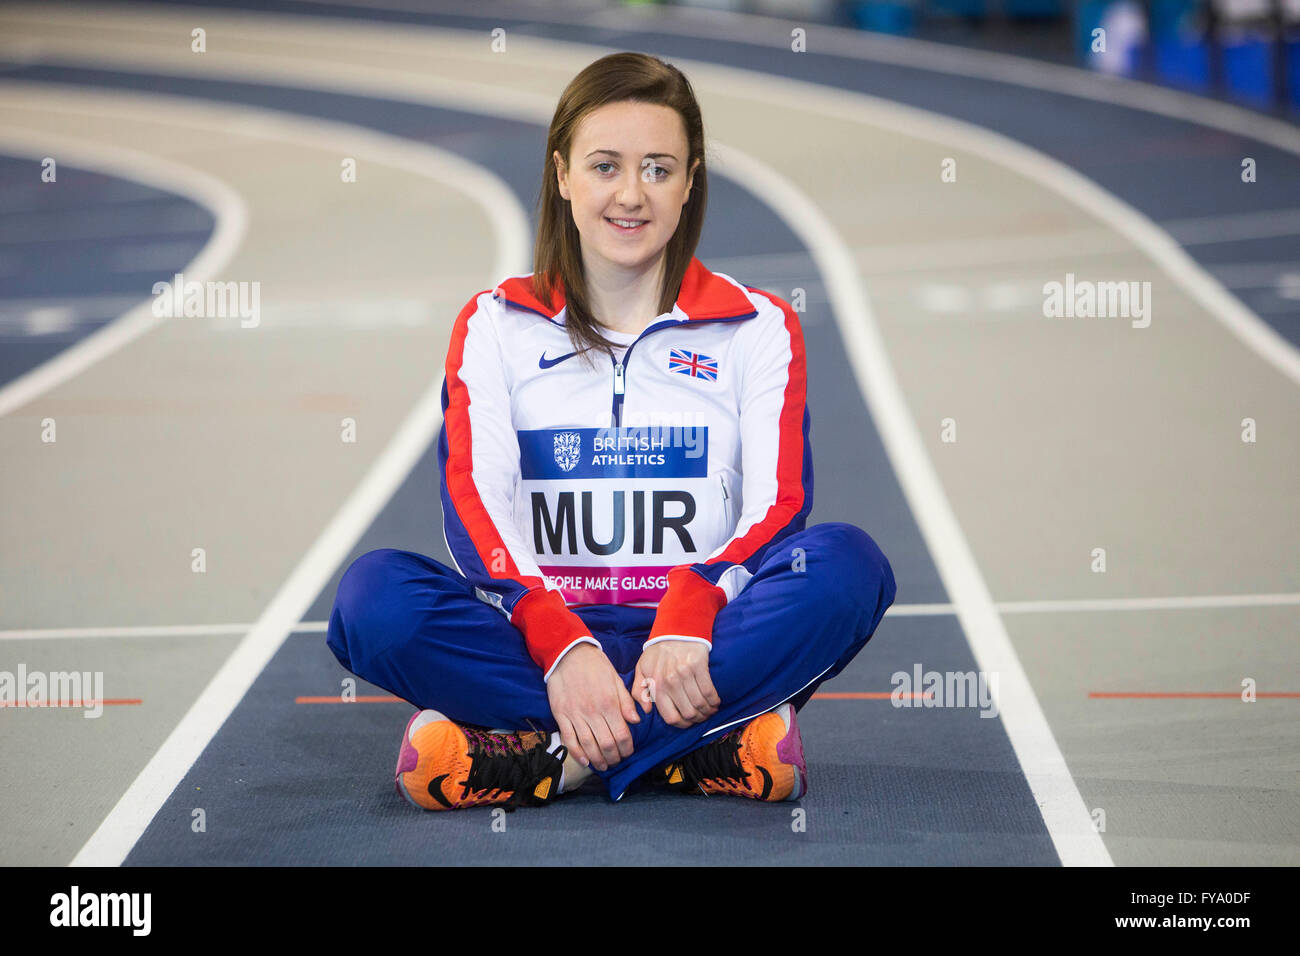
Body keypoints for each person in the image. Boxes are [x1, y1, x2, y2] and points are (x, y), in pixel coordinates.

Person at [326, 51, 896, 811]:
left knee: (847, 568)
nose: (632, 195)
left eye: (659, 169)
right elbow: (473, 499)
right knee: (374, 600)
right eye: (605, 166)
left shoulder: (758, 326)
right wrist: (560, 641)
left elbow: (779, 504)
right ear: (562, 174)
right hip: (541, 647)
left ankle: (550, 760)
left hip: (701, 643)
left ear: (691, 181)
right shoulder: (495, 324)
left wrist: (690, 612)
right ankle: (695, 747)